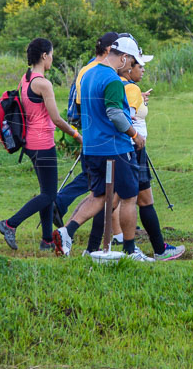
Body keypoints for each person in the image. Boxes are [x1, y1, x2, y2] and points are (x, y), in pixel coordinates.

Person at [52, 35, 151, 261]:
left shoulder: (88, 75)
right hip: (116, 147)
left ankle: (66, 232)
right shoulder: (113, 81)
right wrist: (134, 135)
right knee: (128, 198)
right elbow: (115, 115)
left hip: (92, 147)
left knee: (98, 195)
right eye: (133, 59)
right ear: (124, 58)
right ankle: (129, 250)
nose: (133, 64)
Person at [0, 38, 82, 251]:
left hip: (30, 143)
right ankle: (10, 224)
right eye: (51, 54)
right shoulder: (43, 83)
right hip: (42, 143)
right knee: (49, 195)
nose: (52, 58)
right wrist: (76, 134)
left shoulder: (25, 80)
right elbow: (56, 118)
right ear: (44, 56)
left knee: (47, 192)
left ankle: (46, 239)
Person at [108, 56, 185, 260]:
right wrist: (135, 135)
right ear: (128, 68)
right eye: (139, 66)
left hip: (124, 147)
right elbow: (126, 117)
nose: (142, 70)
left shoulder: (121, 85)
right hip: (134, 148)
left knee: (116, 197)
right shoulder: (129, 88)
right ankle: (153, 249)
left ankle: (84, 236)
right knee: (137, 199)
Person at [54, 32, 120, 219]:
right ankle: (59, 204)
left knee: (94, 178)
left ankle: (60, 204)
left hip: (92, 129)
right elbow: (87, 104)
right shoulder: (95, 70)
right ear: (108, 50)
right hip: (98, 132)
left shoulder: (88, 68)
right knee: (94, 178)